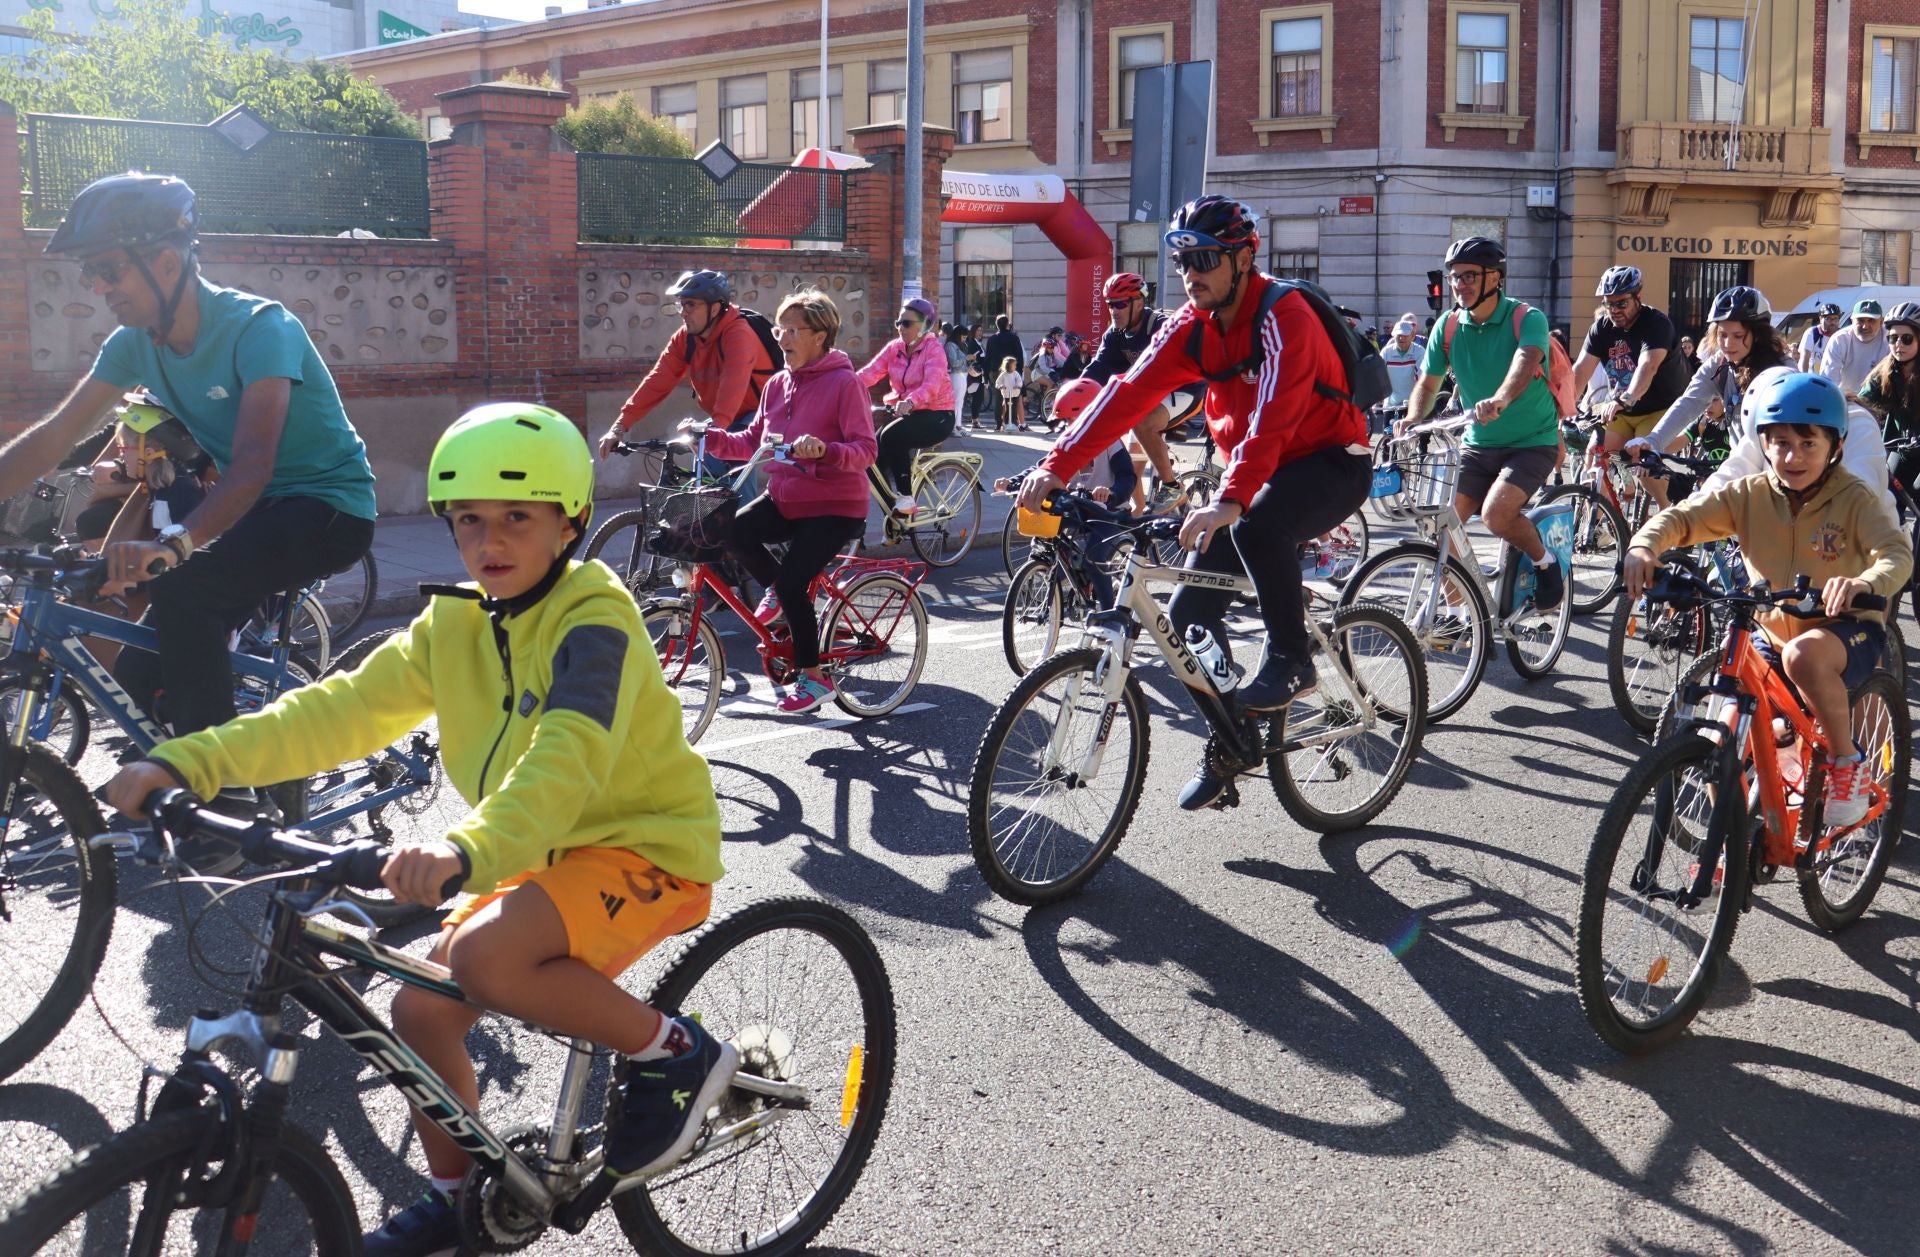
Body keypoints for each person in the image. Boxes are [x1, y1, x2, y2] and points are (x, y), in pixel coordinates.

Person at [103, 402, 732, 1257]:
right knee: (419, 1009)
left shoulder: (594, 614)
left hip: (642, 845)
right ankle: (458, 1194)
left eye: (517, 516)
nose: (489, 540)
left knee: (484, 959)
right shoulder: (456, 620)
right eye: (468, 518)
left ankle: (676, 1052)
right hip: (533, 849)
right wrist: (186, 762)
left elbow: (569, 755)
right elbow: (340, 710)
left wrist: (467, 848)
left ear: (570, 522)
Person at [0, 172, 376, 758]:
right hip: (258, 513)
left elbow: (253, 464)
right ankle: (212, 775)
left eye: (108, 269)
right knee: (139, 674)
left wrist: (174, 544)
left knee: (186, 591)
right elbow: (56, 435)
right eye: (90, 272)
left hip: (328, 508)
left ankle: (221, 794)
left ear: (167, 263)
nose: (97, 286)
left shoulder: (260, 327)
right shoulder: (133, 343)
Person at [1017, 194, 1371, 809]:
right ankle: (1233, 742)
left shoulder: (1284, 314)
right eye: (1182, 261)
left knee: (1257, 525)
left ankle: (1292, 657)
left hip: (1329, 461)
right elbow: (1124, 396)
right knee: (1186, 621)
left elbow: (1276, 416)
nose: (1190, 273)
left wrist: (1230, 498)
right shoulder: (1190, 326)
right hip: (1255, 474)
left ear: (1243, 259)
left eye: (1205, 259)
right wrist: (1056, 465)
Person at [1625, 372, 1911, 828]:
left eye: (1808, 444)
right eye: (1780, 443)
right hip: (1770, 630)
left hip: (1844, 627)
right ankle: (1729, 848)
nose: (1792, 456)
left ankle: (1847, 760)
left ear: (1835, 446)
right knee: (1723, 743)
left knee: (1802, 657)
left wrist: (1864, 582)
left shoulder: (1855, 498)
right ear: (1763, 443)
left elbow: (1896, 553)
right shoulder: (1750, 494)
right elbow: (1682, 518)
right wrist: (1644, 546)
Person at [697, 289, 876, 714]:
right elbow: (753, 441)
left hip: (834, 505)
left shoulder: (845, 383)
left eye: (794, 330)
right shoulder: (778, 384)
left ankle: (814, 679)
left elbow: (866, 450)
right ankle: (778, 592)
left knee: (794, 584)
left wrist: (826, 450)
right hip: (785, 498)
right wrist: (711, 437)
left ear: (821, 336)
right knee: (730, 529)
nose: (782, 338)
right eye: (781, 328)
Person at [1402, 235, 1566, 611]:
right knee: (1441, 526)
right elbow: (1428, 383)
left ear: (1495, 277)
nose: (1459, 284)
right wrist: (1413, 418)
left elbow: (1525, 361)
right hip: (1478, 444)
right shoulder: (1448, 327)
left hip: (1531, 442)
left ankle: (1545, 561)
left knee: (1497, 515)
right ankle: (1459, 616)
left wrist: (1501, 399)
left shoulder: (1526, 318)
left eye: (1469, 276)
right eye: (1454, 277)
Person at [1631, 286, 1888, 498]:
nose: (1728, 344)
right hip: (1740, 464)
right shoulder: (1719, 365)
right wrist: (1653, 441)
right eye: (1722, 335)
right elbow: (1689, 402)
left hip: (1777, 473)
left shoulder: (1781, 368)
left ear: (1757, 334)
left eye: (1738, 335)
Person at [598, 269, 777, 459]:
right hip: (725, 418)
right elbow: (658, 380)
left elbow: (732, 388)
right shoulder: (686, 338)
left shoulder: (738, 335)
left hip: (760, 416)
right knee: (700, 459)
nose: (683, 313)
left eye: (690, 305)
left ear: (715, 308)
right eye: (681, 305)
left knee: (720, 458)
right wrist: (619, 427)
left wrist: (714, 433)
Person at [1569, 265, 1693, 507]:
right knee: (1595, 455)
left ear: (1638, 297)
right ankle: (1602, 521)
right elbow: (1581, 369)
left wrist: (1626, 398)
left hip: (1659, 408)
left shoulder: (1656, 323)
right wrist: (1562, 405)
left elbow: (1648, 366)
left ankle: (1667, 514)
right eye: (1609, 304)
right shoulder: (1601, 328)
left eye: (1621, 303)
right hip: (1622, 411)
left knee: (1643, 465)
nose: (1614, 310)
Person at [1081, 271, 1205, 490]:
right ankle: (1133, 508)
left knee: (1143, 424)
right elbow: (1097, 369)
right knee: (1131, 467)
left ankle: (1171, 489)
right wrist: (1077, 394)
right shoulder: (1115, 335)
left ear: (1139, 302)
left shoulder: (1161, 326)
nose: (1113, 311)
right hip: (1148, 397)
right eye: (1110, 304)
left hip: (1184, 390)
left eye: (1120, 304)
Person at [857, 296, 956, 515]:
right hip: (908, 416)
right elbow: (870, 372)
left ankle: (906, 497)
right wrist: (843, 385)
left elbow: (932, 385)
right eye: (898, 323)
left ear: (925, 326)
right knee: (870, 459)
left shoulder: (933, 349)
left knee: (891, 436)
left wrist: (910, 401)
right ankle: (896, 517)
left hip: (938, 416)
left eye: (907, 323)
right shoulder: (894, 348)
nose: (901, 327)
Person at [1860, 301, 1920, 492]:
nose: (1898, 344)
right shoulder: (1884, 372)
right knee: (1887, 492)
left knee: (1918, 489)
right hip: (1904, 448)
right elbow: (1860, 403)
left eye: (1907, 339)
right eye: (1893, 338)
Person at [1820, 299, 1886, 398]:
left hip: (1880, 399)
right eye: (1860, 320)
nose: (1865, 326)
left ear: (1881, 322)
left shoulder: (1890, 339)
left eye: (1871, 320)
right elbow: (1828, 381)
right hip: (1845, 399)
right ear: (1852, 321)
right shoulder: (1840, 339)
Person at [1380, 314, 1426, 413]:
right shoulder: (1386, 352)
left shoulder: (1419, 351)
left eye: (1405, 335)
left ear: (1412, 336)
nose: (1401, 338)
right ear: (1393, 336)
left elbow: (1420, 377)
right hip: (1390, 404)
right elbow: (1379, 376)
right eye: (1399, 335)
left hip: (1413, 404)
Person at [980, 312, 1025, 407]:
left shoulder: (992, 339)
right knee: (1012, 398)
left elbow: (988, 358)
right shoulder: (1014, 338)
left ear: (997, 325)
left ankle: (999, 416)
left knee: (999, 398)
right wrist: (1020, 371)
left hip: (995, 371)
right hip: (1011, 370)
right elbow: (1019, 356)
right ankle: (1010, 416)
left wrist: (986, 376)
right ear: (1007, 324)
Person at [1797, 302, 1843, 372]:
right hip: (1813, 376)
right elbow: (1804, 358)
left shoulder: (1842, 335)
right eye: (1828, 319)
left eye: (1835, 319)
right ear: (1821, 318)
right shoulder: (1813, 333)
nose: (1832, 322)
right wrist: (1804, 376)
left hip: (1834, 377)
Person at [942, 322, 972, 428]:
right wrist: (965, 358)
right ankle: (953, 426)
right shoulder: (950, 345)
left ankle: (958, 425)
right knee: (956, 401)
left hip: (962, 375)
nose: (964, 340)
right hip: (955, 375)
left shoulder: (960, 345)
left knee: (960, 401)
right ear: (958, 335)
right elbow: (954, 363)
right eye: (963, 337)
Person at [995, 356, 1024, 430]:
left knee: (1014, 408)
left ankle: (1014, 423)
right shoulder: (1003, 374)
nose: (1015, 366)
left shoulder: (1015, 373)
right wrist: (1001, 386)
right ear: (1008, 365)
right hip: (1006, 394)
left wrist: (1018, 385)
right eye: (1014, 365)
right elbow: (998, 382)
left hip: (1015, 394)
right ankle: (1006, 422)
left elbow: (1019, 381)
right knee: (1007, 408)